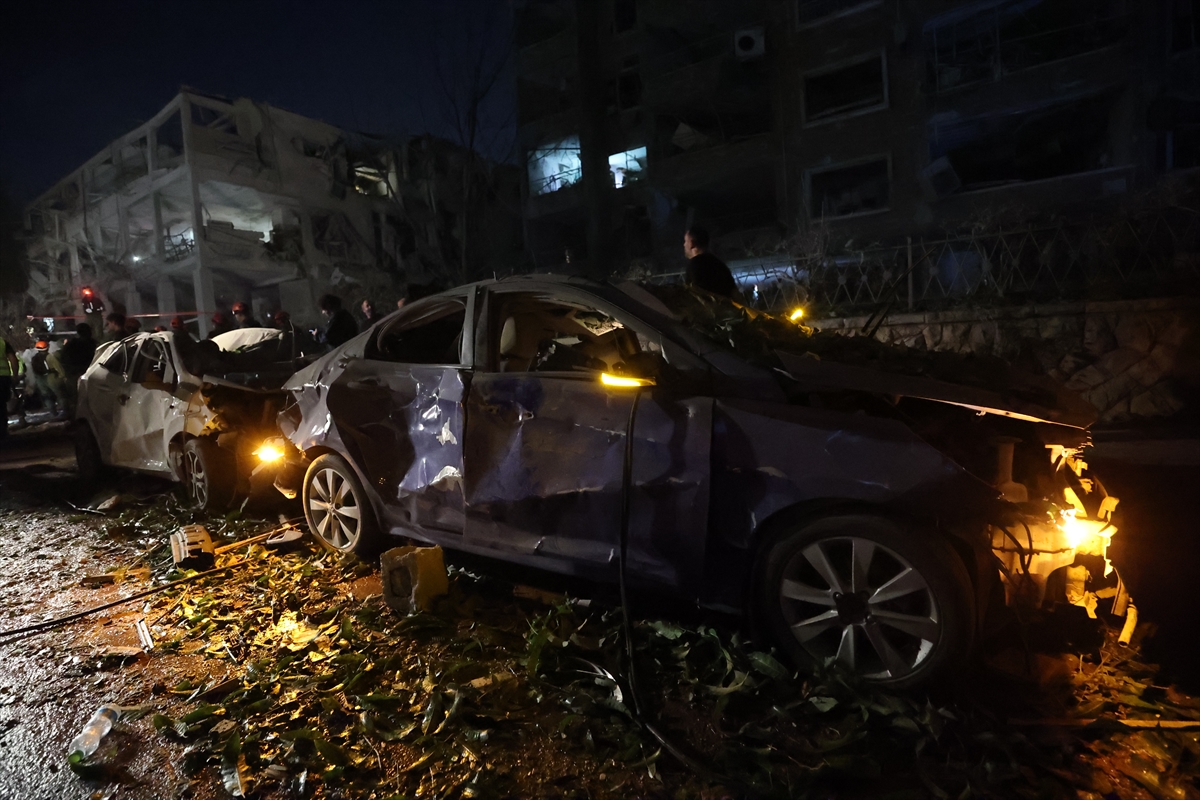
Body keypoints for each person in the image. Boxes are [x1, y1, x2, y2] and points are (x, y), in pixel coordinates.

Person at [683, 225, 736, 298]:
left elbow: (692, 297)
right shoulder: (720, 266)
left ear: (692, 243)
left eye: (685, 241)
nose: (684, 244)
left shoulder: (694, 266)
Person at [57, 323, 96, 417]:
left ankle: (76, 417)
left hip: (75, 373)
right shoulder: (92, 344)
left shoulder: (71, 344)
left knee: (75, 397)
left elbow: (63, 359)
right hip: (90, 372)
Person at [0, 334, 19, 440]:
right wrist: (15, 375)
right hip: (2, 378)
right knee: (1, 405)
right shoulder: (2, 342)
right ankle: (2, 431)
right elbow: (13, 359)